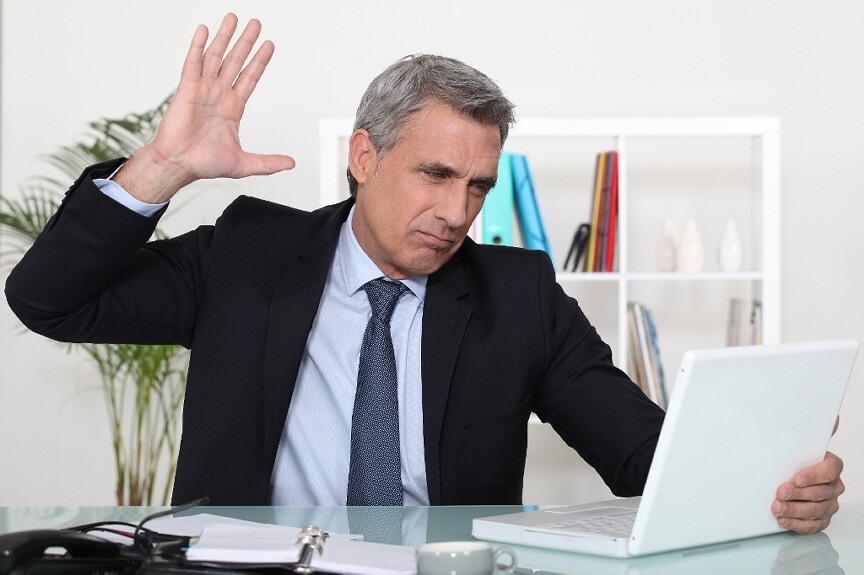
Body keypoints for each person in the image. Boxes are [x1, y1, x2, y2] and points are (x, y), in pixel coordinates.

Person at [5, 14, 843, 534]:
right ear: (363, 156)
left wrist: (766, 483)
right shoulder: (245, 255)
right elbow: (47, 299)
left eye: (477, 185)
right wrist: (161, 168)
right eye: (435, 175)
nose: (457, 209)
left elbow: (640, 452)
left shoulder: (518, 295)